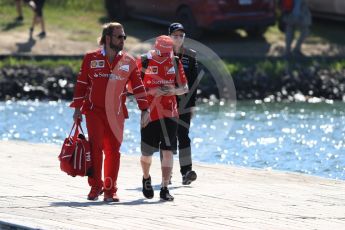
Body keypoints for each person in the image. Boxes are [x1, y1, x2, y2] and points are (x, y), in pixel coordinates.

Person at [70, 22, 149, 202]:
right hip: (93, 111)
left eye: (124, 37)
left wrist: (145, 109)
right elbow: (81, 84)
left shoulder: (129, 61)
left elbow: (138, 86)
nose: (123, 40)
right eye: (119, 36)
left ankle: (110, 190)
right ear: (108, 38)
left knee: (113, 151)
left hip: (116, 114)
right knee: (95, 149)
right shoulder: (91, 58)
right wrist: (77, 109)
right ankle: (95, 187)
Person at [138, 35, 188, 201]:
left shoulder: (175, 61)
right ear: (156, 48)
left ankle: (165, 187)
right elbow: (133, 89)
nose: (166, 56)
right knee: (147, 153)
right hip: (149, 113)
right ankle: (146, 178)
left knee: (168, 151)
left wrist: (169, 91)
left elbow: (184, 88)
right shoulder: (144, 61)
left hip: (170, 113)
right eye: (163, 53)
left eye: (169, 52)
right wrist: (150, 95)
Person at [168, 22, 198, 185]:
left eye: (181, 35)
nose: (178, 38)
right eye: (175, 35)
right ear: (169, 37)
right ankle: (168, 173)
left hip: (184, 104)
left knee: (183, 136)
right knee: (168, 139)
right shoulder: (162, 55)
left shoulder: (191, 55)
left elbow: (193, 85)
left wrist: (191, 106)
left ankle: (186, 172)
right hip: (166, 103)